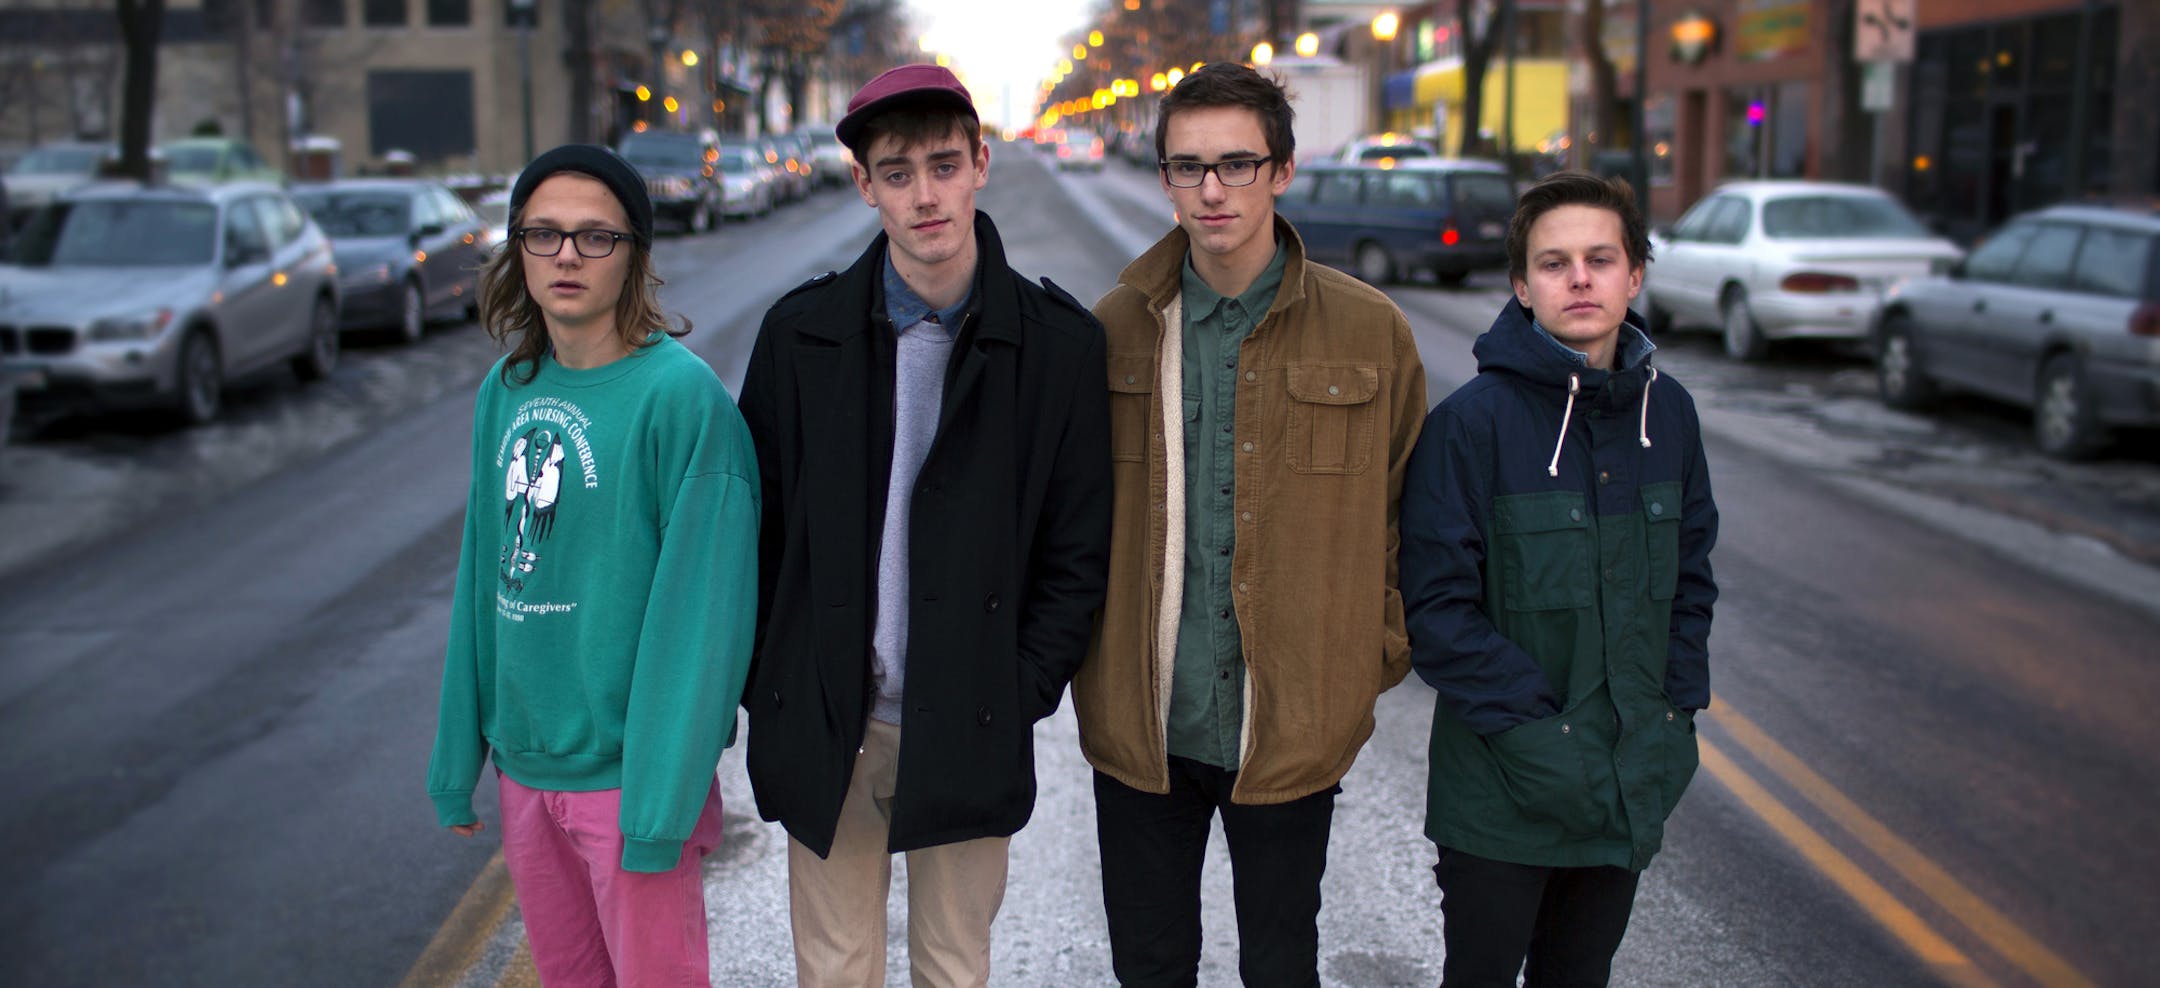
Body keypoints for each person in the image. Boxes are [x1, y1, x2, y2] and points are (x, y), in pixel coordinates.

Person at [737, 64, 1111, 988]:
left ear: (981, 163)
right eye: (897, 174)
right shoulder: (802, 337)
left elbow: (1077, 552)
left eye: (944, 166)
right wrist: (775, 681)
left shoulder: (1057, 346)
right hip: (832, 718)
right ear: (865, 185)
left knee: (952, 965)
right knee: (835, 971)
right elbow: (758, 534)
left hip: (971, 718)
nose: (925, 196)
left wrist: (1016, 687)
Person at [1074, 62, 1428, 987]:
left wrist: (1370, 655)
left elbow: (1408, 514)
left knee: (1280, 964)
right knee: (1151, 966)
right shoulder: (1115, 329)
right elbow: (1070, 521)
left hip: (1290, 724)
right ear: (1164, 176)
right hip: (1143, 725)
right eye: (1188, 166)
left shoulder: (1370, 331)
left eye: (1237, 163)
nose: (1212, 189)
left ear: (1282, 170)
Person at [425, 144, 760, 987]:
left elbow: (703, 620)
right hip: (526, 769)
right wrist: (458, 759)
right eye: (543, 234)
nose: (566, 255)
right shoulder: (508, 387)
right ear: (518, 251)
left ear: (633, 253)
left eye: (594, 236)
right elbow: (483, 576)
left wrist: (659, 803)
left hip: (629, 778)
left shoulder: (681, 400)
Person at [1399, 170, 1720, 987]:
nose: (1579, 279)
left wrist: (1674, 713)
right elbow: (1438, 613)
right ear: (1521, 286)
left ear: (1634, 276)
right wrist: (1546, 741)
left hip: (1625, 782)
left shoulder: (1669, 416)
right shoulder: (1470, 426)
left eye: (1600, 259)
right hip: (1502, 791)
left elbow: (1691, 582)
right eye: (1553, 263)